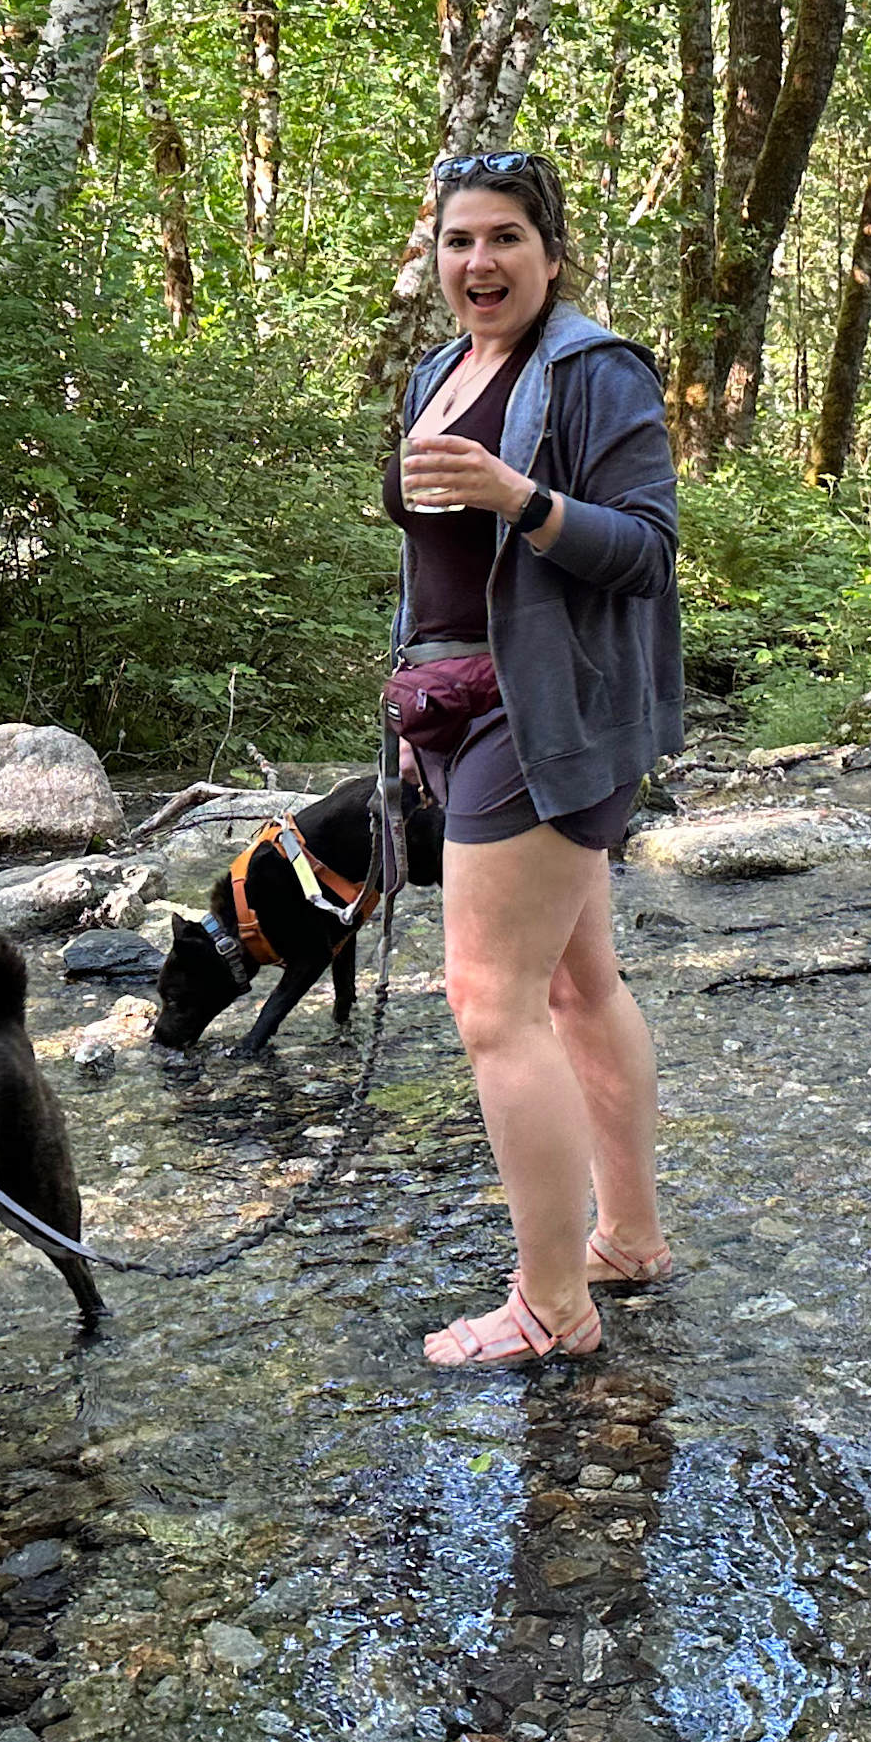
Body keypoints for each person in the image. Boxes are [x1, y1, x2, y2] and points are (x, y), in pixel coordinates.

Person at [384, 151, 686, 1368]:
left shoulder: (598, 372)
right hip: (456, 703)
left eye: (505, 237)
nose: (480, 262)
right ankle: (629, 1238)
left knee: (486, 1003)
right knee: (576, 982)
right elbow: (433, 573)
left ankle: (552, 1306)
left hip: (554, 708)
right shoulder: (436, 373)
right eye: (460, 241)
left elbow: (647, 550)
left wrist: (520, 494)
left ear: (551, 255)